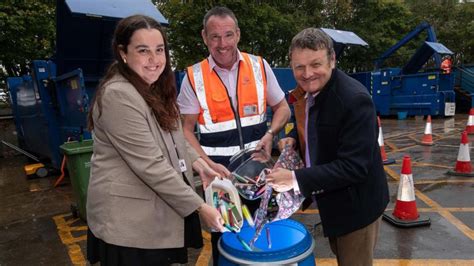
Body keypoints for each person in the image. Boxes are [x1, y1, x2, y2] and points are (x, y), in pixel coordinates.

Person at [85, 15, 224, 266]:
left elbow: (174, 138)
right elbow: (150, 165)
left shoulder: (154, 87)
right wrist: (200, 207)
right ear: (123, 53)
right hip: (129, 228)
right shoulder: (119, 95)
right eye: (143, 51)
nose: (154, 60)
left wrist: (202, 165)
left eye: (159, 50)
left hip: (153, 218)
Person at [177, 6, 291, 264]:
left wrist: (272, 132)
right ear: (204, 37)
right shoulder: (193, 77)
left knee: (265, 239)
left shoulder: (259, 66)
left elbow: (282, 107)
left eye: (228, 35)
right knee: (225, 247)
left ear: (238, 34)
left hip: (261, 179)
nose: (222, 43)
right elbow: (185, 130)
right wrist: (205, 165)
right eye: (214, 36)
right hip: (222, 185)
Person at [266, 28, 389, 266]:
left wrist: (293, 178)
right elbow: (315, 129)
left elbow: (354, 167)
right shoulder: (311, 92)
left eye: (315, 64)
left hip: (357, 209)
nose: (307, 74)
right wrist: (294, 140)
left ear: (332, 60)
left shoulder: (354, 100)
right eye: (299, 67)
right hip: (333, 201)